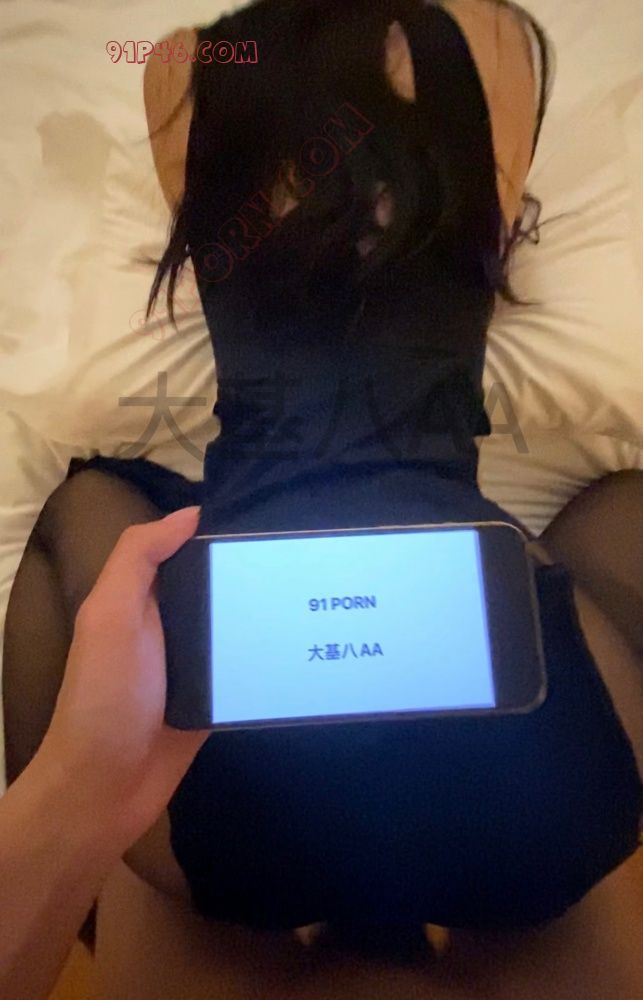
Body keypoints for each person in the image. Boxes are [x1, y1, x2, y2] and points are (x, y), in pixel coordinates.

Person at [3, 0, 642, 979]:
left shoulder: (188, 64)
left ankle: (93, 906)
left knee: (82, 509)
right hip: (539, 797)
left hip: (228, 799)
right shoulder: (491, 39)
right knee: (621, 510)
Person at [0, 508, 208, 1000]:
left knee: (75, 505)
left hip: (197, 834)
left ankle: (83, 928)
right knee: (77, 505)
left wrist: (83, 782)